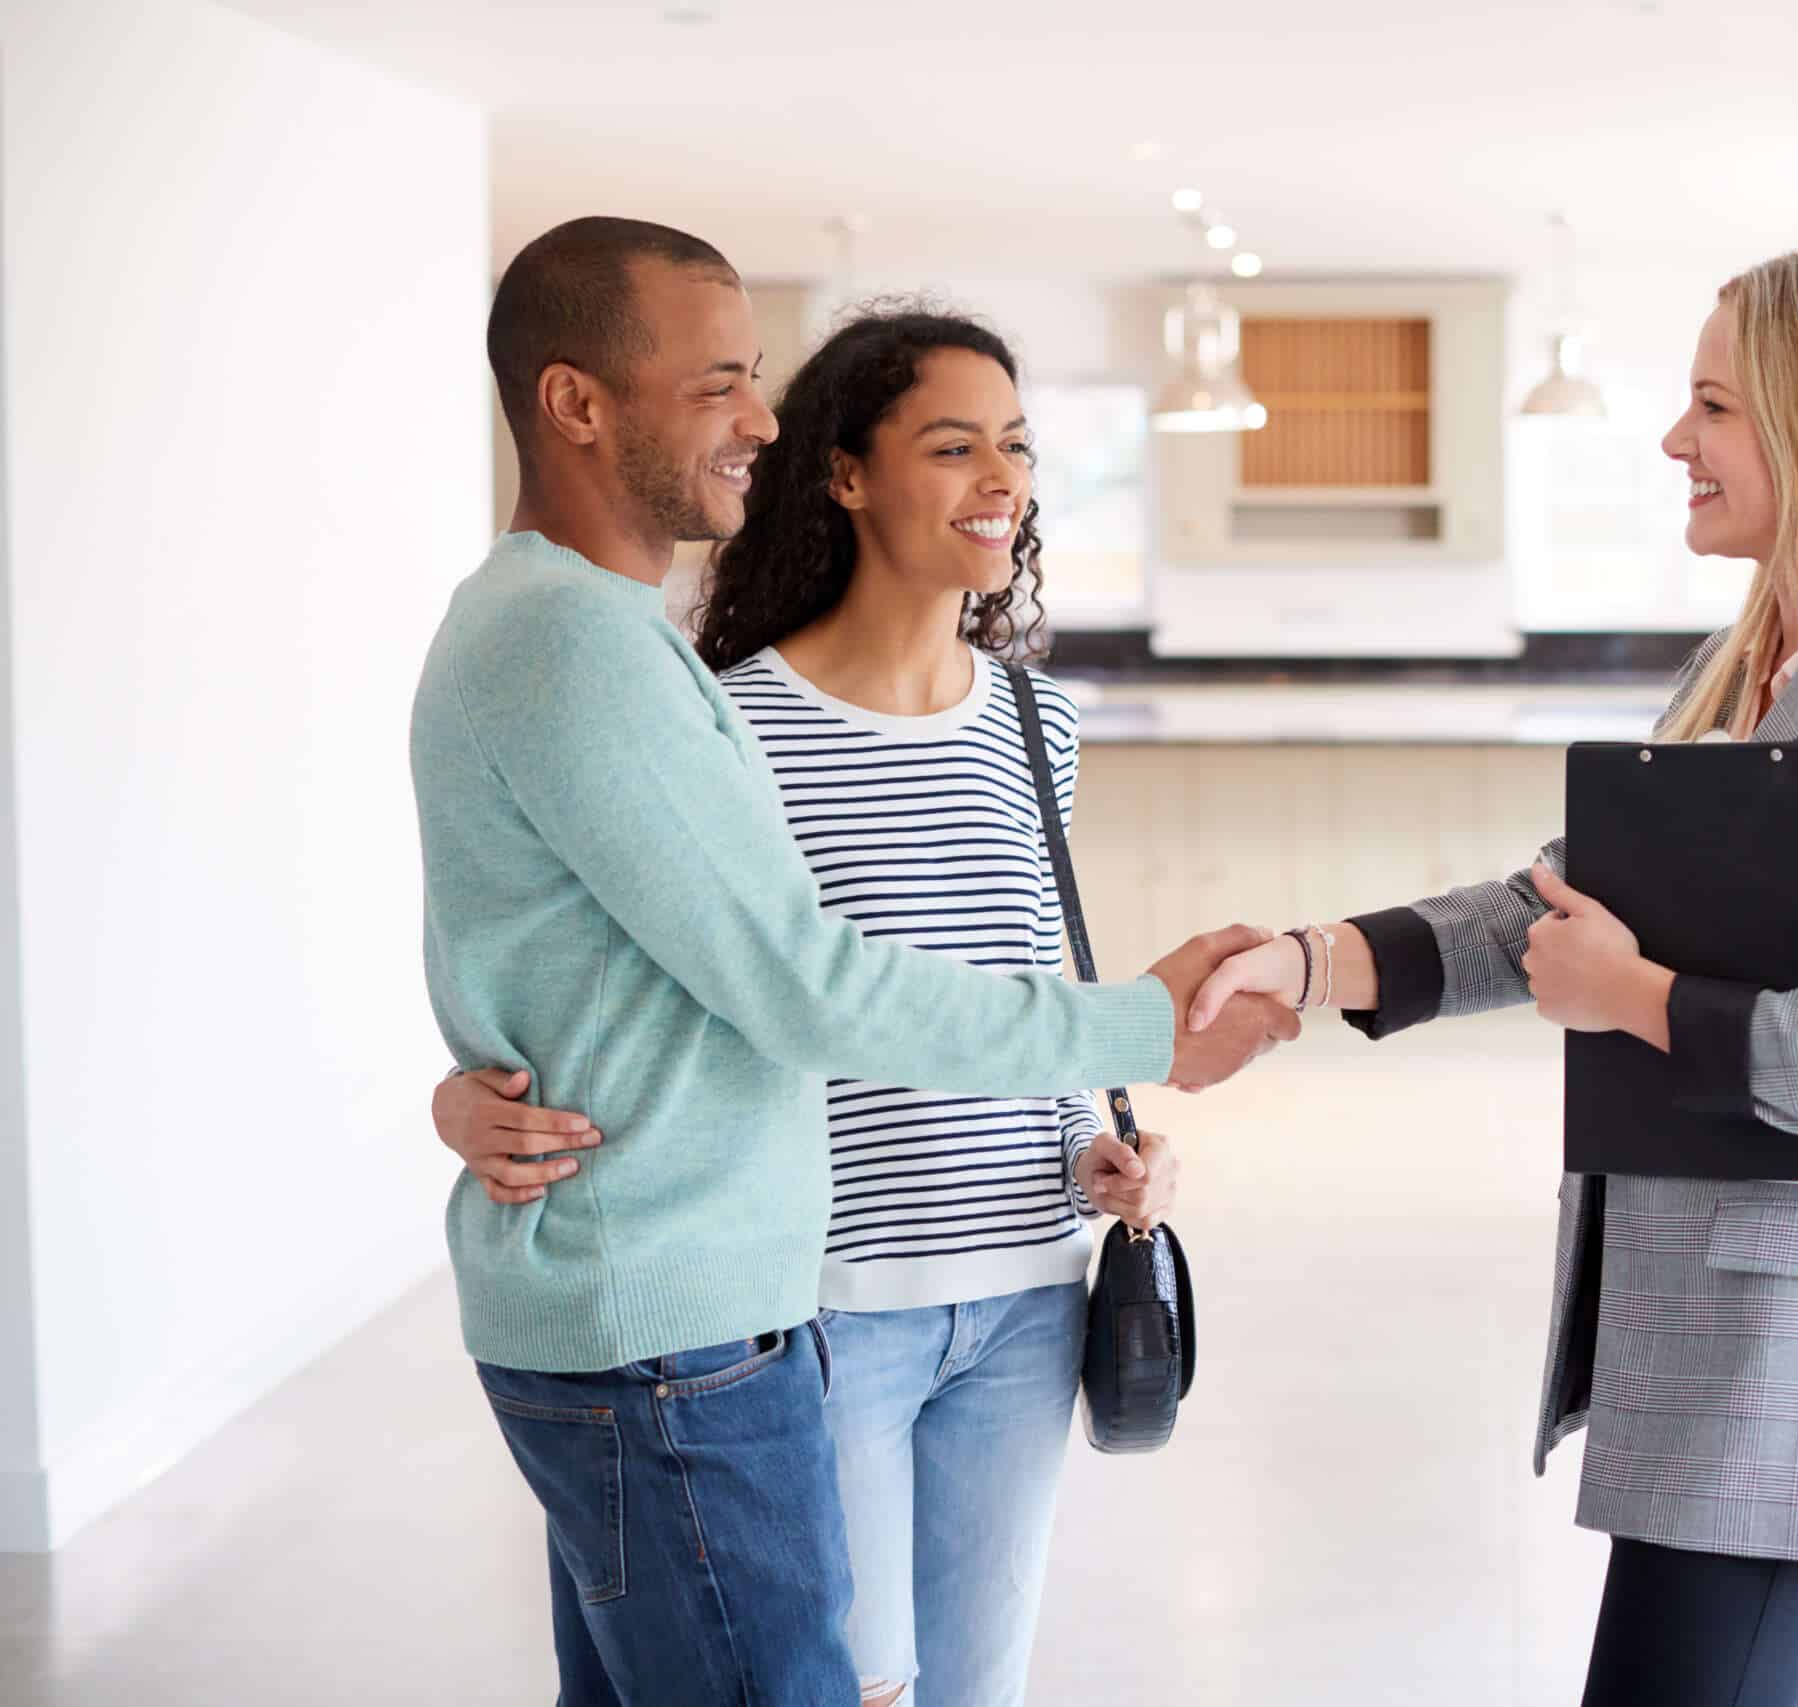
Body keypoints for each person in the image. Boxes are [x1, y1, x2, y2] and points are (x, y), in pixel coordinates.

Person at [413, 220, 1295, 1706]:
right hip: (781, 1300)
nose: (756, 414)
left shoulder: (1010, 718)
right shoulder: (638, 669)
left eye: (1016, 445)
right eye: (719, 384)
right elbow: (797, 982)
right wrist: (1136, 1024)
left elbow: (588, 946)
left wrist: (1097, 1123)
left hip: (991, 1279)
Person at [1191, 245, 1798, 1706]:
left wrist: (1637, 999)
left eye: (1713, 406)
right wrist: (1316, 959)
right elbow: (1554, 907)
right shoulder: (1750, 663)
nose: (1673, 442)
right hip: (1715, 1324)